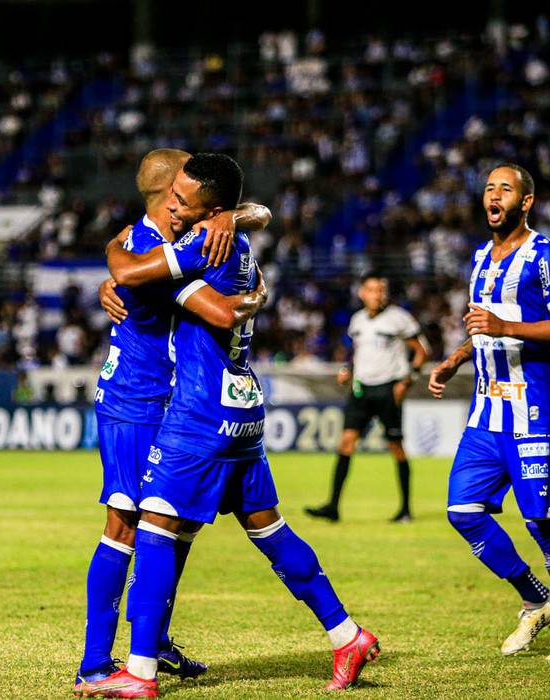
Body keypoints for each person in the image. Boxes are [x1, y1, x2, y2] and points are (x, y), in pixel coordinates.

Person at [78, 154, 378, 698]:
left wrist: (126, 263)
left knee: (153, 528)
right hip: (210, 404)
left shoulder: (190, 246)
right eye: (173, 194)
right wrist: (251, 288)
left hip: (195, 412)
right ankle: (346, 633)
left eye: (185, 199)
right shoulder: (224, 244)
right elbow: (225, 280)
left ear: (202, 205)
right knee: (263, 527)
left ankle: (137, 670)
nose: (177, 202)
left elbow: (181, 294)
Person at [75, 149, 272, 693]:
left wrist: (235, 215)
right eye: (185, 185)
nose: (195, 192)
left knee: (170, 524)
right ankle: (95, 663)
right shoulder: (146, 248)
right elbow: (137, 273)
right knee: (126, 523)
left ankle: (151, 641)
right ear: (170, 196)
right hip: (137, 401)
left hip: (173, 401)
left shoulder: (189, 236)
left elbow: (257, 212)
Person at [428, 163, 550, 661]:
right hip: (487, 411)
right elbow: (485, 324)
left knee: (541, 522)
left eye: (505, 188)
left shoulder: (544, 256)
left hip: (535, 410)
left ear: (526, 202)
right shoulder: (482, 256)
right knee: (463, 511)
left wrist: (506, 325)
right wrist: (456, 358)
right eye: (488, 188)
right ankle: (537, 597)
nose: (493, 195)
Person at [305, 272, 427, 523]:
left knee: (396, 448)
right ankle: (333, 507)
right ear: (362, 293)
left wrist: (408, 381)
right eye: (372, 289)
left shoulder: (399, 318)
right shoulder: (357, 320)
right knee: (346, 443)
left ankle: (405, 509)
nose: (378, 294)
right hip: (361, 390)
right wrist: (348, 371)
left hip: (388, 389)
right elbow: (357, 352)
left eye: (381, 289)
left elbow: (421, 352)